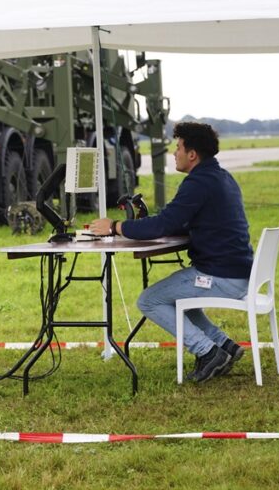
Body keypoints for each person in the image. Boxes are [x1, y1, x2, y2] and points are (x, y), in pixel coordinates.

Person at [90, 122, 253, 383]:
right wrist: (149, 224)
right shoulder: (222, 177)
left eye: (177, 148)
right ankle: (225, 346)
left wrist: (115, 226)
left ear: (192, 154)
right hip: (238, 272)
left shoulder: (197, 183)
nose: (173, 153)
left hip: (221, 276)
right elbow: (180, 221)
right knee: (174, 296)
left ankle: (208, 352)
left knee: (150, 300)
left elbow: (164, 224)